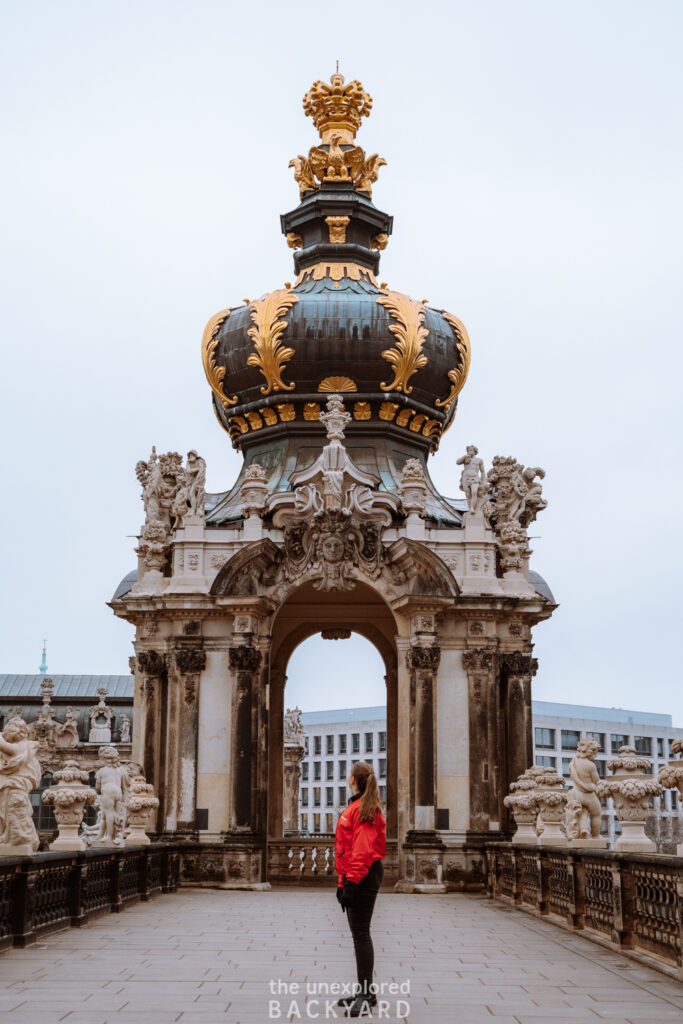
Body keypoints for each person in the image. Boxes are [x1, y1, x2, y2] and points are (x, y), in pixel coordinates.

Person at [334, 761, 386, 1017]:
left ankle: (365, 995)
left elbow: (362, 851)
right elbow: (348, 850)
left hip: (364, 875)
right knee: (359, 934)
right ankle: (366, 992)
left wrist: (352, 883)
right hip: (358, 875)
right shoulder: (357, 807)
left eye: (349, 774)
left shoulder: (364, 809)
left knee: (361, 934)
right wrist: (343, 883)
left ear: (353, 779)